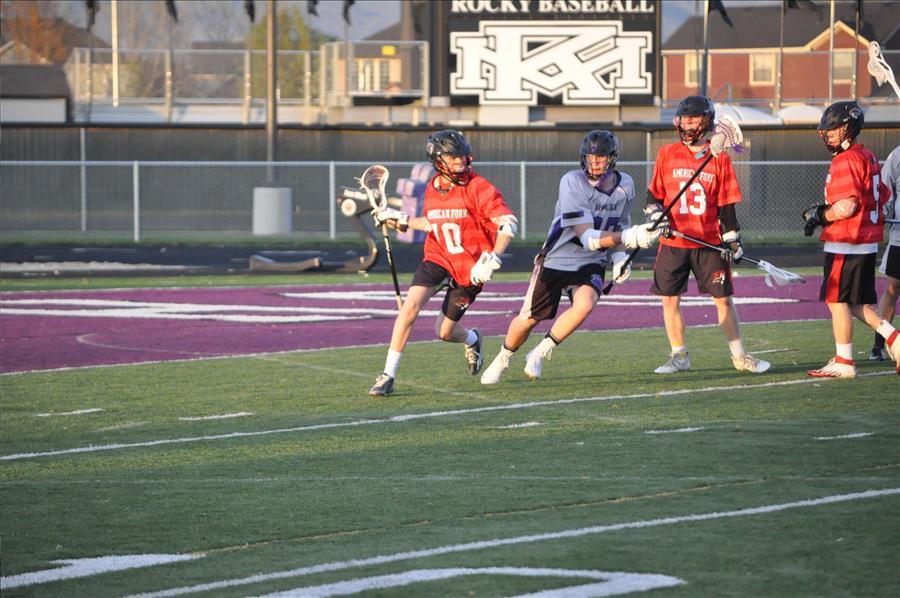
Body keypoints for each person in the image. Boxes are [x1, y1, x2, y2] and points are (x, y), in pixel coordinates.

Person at [480, 130, 664, 384]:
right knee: (530, 318)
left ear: (612, 158)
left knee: (585, 303)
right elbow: (587, 237)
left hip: (591, 261)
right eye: (590, 157)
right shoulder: (572, 181)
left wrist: (620, 257)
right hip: (558, 258)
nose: (595, 163)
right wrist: (630, 237)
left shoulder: (626, 185)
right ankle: (503, 357)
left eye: (600, 157)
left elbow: (620, 222)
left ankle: (540, 352)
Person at [367, 129, 518, 396]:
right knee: (409, 308)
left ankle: (472, 339)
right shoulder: (433, 187)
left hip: (470, 269)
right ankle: (387, 375)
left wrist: (493, 257)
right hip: (438, 257)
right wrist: (398, 218)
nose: (459, 161)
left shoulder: (478, 187)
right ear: (438, 160)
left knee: (445, 332)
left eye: (461, 156)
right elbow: (432, 224)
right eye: (452, 157)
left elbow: (508, 223)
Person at [646, 95, 770, 374]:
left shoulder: (719, 158)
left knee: (723, 300)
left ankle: (740, 357)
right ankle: (679, 356)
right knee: (669, 300)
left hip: (708, 242)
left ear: (706, 122)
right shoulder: (666, 152)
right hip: (674, 241)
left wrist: (733, 240)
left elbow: (726, 204)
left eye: (693, 119)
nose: (688, 124)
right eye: (684, 119)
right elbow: (654, 195)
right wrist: (655, 215)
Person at [803, 102, 898, 376]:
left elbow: (848, 206)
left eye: (835, 129)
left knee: (836, 300)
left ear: (849, 129)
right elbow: (883, 195)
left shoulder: (845, 159)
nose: (829, 134)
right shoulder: (868, 156)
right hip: (866, 242)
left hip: (847, 241)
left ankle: (844, 361)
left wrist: (821, 215)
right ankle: (895, 339)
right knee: (856, 303)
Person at [868, 144, 900, 362]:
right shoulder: (897, 155)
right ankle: (879, 345)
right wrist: (883, 214)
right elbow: (885, 189)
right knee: (893, 286)